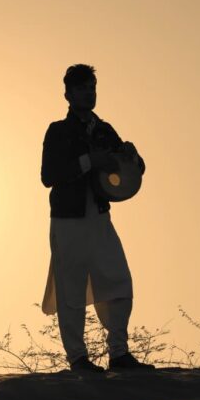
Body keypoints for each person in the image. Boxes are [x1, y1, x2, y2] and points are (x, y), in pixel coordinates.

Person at [40, 64, 154, 372]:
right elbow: (49, 175)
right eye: (82, 88)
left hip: (99, 217)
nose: (88, 93)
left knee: (118, 280)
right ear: (68, 94)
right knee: (71, 291)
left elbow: (133, 169)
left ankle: (118, 352)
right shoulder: (58, 131)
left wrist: (133, 156)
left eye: (91, 87)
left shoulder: (104, 129)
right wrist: (90, 160)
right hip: (68, 219)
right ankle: (78, 358)